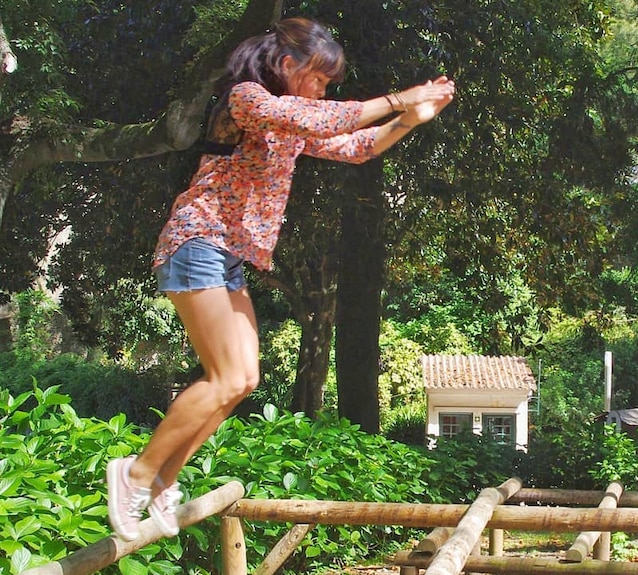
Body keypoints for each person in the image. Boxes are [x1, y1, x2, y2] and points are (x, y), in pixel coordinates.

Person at [106, 16, 455, 541]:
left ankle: (162, 484)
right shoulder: (247, 99)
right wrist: (400, 98)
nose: (321, 90)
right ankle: (133, 474)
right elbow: (325, 119)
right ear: (287, 65)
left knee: (242, 381)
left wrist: (413, 118)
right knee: (224, 377)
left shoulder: (290, 125)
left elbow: (356, 146)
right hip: (198, 241)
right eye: (317, 79)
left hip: (227, 258)